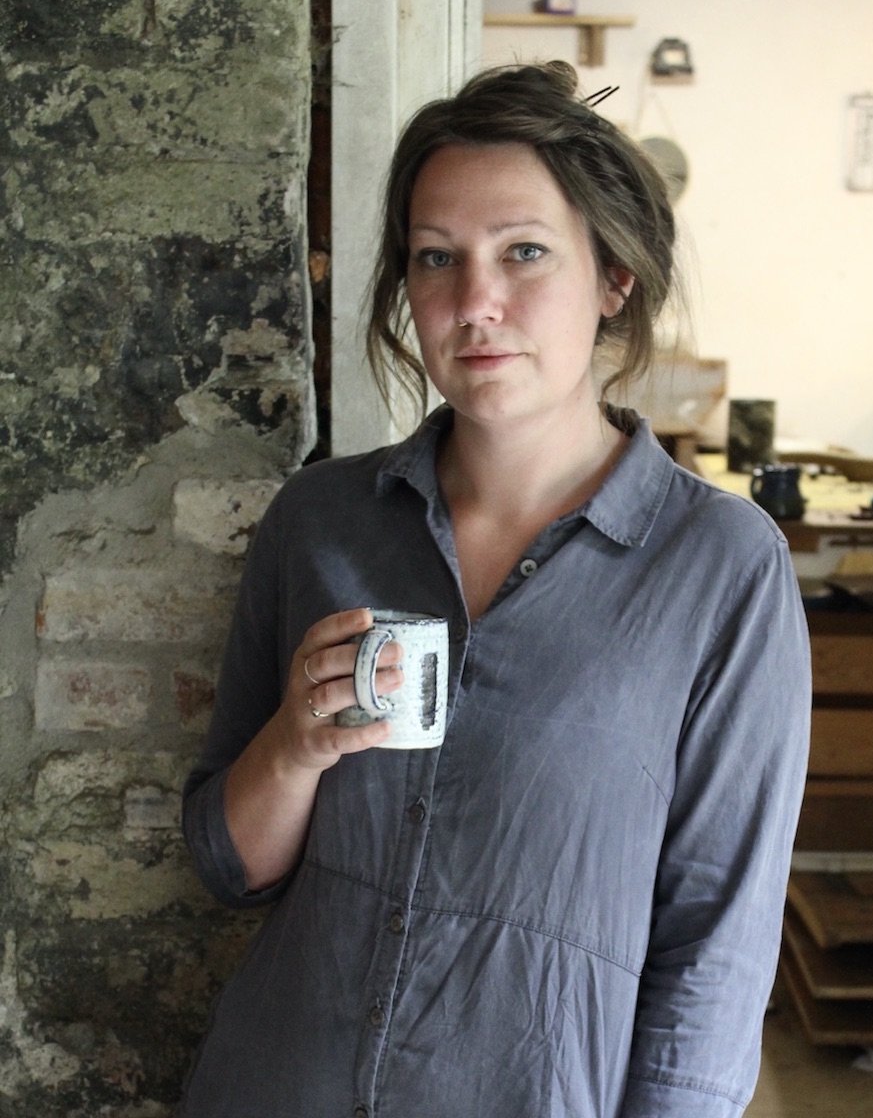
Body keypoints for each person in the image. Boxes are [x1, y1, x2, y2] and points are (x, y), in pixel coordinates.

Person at [179, 60, 810, 1118]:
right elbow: (226, 867)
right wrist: (294, 744)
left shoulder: (722, 569)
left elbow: (717, 950)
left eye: (524, 253)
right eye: (437, 259)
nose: (476, 304)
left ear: (614, 276)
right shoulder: (320, 522)